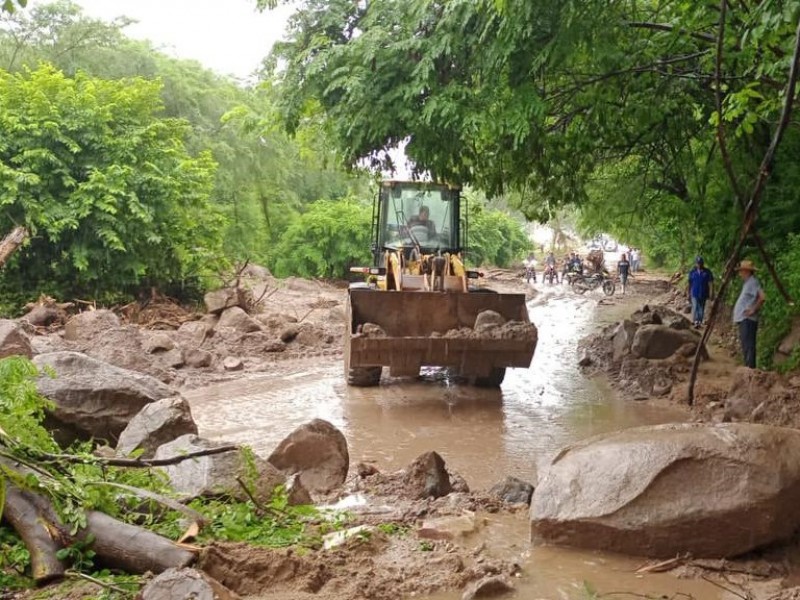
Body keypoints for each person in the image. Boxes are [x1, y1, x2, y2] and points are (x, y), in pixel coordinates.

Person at [733, 260, 766, 369]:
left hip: (748, 319)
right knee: (746, 345)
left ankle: (750, 370)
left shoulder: (753, 282)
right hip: (744, 319)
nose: (740, 273)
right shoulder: (748, 283)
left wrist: (753, 309)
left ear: (746, 271)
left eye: (741, 271)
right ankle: (748, 369)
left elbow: (762, 297)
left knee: (749, 345)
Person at [688, 257, 714, 328]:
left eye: (700, 263)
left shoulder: (707, 272)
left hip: (703, 293)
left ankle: (699, 321)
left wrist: (711, 292)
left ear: (703, 263)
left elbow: (710, 282)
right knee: (695, 306)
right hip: (694, 292)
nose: (699, 265)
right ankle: (696, 321)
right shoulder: (692, 272)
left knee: (701, 308)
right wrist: (688, 293)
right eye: (698, 263)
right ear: (696, 264)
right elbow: (690, 283)